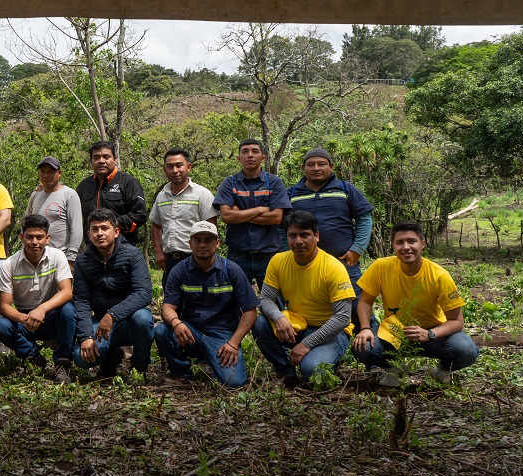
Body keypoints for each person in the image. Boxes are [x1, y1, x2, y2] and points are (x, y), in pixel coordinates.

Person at [352, 221, 478, 386]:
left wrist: (429, 334)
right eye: (399, 242)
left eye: (411, 241)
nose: (406, 247)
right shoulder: (380, 267)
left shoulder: (440, 276)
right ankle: (394, 370)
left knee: (466, 350)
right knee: (362, 346)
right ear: (393, 245)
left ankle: (441, 371)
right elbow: (365, 301)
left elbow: (457, 321)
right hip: (394, 333)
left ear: (423, 244)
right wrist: (366, 328)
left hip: (433, 335)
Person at [253, 211, 355, 385]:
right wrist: (278, 317)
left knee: (311, 370)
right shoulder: (278, 261)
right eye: (292, 235)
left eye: (304, 235)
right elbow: (266, 299)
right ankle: (286, 372)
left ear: (316, 236)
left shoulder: (333, 268)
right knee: (260, 324)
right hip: (297, 326)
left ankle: (328, 359)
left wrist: (307, 344)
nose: (298, 241)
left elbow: (342, 318)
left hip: (331, 332)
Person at [154, 221, 258, 387]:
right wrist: (176, 323)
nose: (202, 245)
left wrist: (234, 343)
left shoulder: (231, 270)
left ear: (217, 243)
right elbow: (167, 308)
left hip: (222, 335)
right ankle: (181, 373)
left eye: (208, 240)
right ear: (190, 244)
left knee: (234, 383)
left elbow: (250, 311)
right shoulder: (180, 270)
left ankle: (209, 360)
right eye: (197, 240)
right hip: (190, 332)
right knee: (161, 330)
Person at [284, 147, 374, 331]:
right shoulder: (292, 194)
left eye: (321, 164)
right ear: (303, 168)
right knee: (311, 309)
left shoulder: (345, 189)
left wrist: (357, 249)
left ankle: (370, 348)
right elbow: (281, 227)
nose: (316, 168)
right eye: (311, 164)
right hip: (306, 267)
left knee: (358, 308)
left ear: (331, 166)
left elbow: (364, 219)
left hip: (344, 263)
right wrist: (286, 252)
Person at [0, 214, 77, 384]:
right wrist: (25, 318)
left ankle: (63, 362)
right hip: (24, 320)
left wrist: (42, 309)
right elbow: (4, 306)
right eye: (29, 237)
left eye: (39, 237)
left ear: (47, 238)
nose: (34, 242)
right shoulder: (9, 264)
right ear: (21, 237)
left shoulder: (57, 256)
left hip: (51, 315)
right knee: (2, 326)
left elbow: (67, 292)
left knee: (69, 310)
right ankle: (33, 356)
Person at [72, 208, 154, 377]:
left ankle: (139, 365)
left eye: (104, 228)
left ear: (116, 232)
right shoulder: (82, 261)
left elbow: (144, 293)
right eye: (95, 229)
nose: (99, 233)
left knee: (143, 318)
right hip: (100, 324)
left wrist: (113, 315)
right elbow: (81, 300)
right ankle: (111, 355)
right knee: (80, 357)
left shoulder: (132, 254)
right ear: (89, 234)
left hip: (129, 322)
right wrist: (86, 335)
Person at [213, 139, 291, 290]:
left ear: (263, 158)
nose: (250, 155)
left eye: (255, 151)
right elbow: (227, 217)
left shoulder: (274, 183)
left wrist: (240, 214)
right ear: (238, 158)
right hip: (237, 254)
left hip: (269, 254)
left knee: (275, 302)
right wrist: (261, 209)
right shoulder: (229, 183)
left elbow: (276, 217)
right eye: (245, 152)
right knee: (235, 303)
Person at [150, 148, 217, 285]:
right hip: (170, 261)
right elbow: (156, 225)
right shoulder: (162, 196)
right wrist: (158, 252)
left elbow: (211, 228)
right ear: (164, 170)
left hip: (196, 259)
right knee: (172, 301)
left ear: (189, 167)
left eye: (179, 165)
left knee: (198, 300)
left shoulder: (202, 194)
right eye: (170, 167)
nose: (175, 170)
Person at [75, 141, 148, 246]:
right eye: (96, 157)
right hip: (92, 248)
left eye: (106, 157)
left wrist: (112, 224)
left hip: (123, 245)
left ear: (115, 159)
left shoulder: (128, 183)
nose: (101, 161)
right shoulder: (84, 186)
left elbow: (140, 215)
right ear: (91, 161)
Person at [24, 156, 82, 268]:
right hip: (36, 258)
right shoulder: (35, 195)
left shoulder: (69, 195)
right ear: (38, 174)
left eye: (51, 172)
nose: (46, 175)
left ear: (59, 173)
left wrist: (71, 259)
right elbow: (26, 224)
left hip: (61, 258)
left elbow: (76, 228)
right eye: (43, 172)